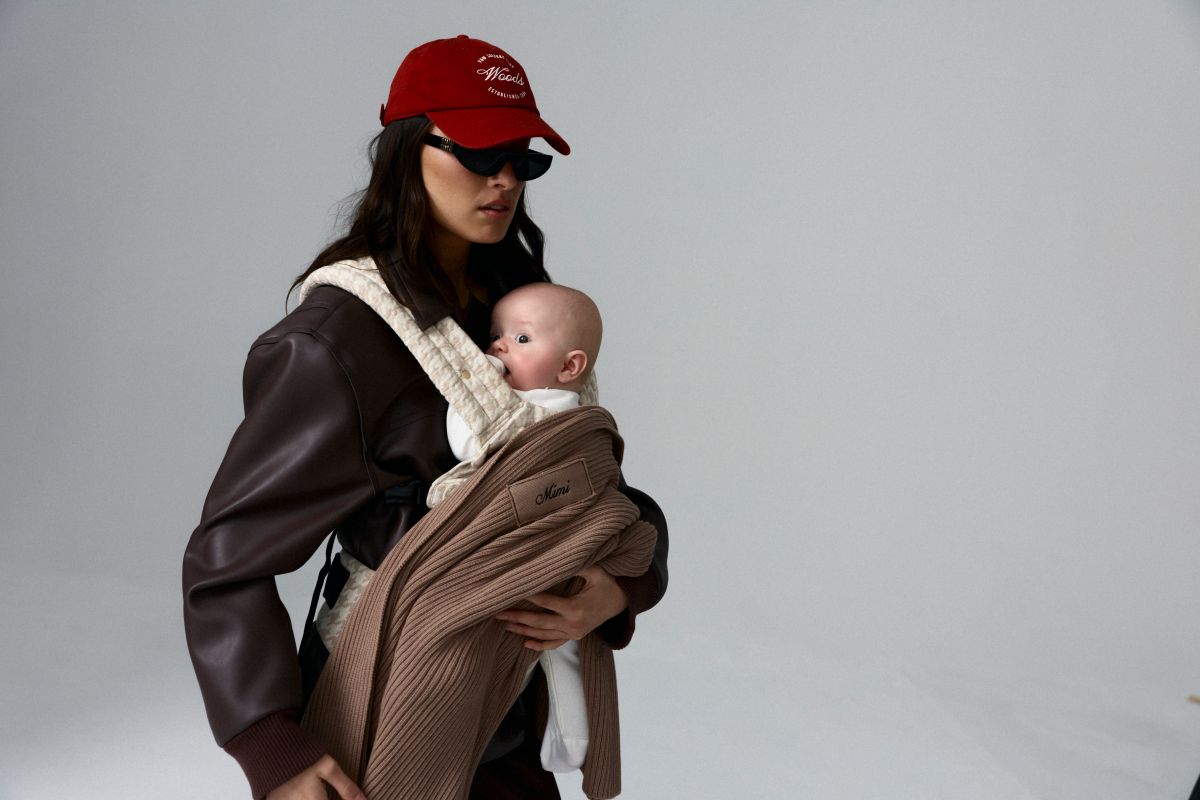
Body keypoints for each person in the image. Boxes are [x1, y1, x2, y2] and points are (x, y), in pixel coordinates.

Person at [181, 35, 668, 800]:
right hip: (392, 711)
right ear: (407, 152)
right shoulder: (333, 343)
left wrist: (621, 585)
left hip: (514, 708)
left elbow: (588, 486)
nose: (505, 179)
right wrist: (271, 744)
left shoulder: (515, 304)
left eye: (523, 158)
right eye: (479, 153)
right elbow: (227, 562)